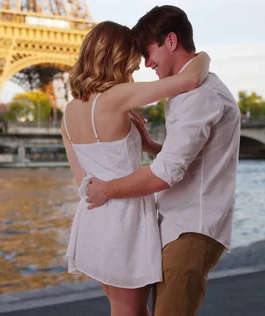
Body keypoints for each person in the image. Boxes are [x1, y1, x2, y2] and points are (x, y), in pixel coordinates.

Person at [85, 5, 241, 316]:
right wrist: (154, 146)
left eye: (148, 51)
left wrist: (105, 190)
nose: (145, 63)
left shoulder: (200, 96)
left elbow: (164, 175)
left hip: (191, 230)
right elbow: (194, 158)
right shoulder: (195, 89)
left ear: (171, 41)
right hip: (182, 226)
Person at [62, 20, 211, 316]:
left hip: (93, 220)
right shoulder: (118, 95)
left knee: (125, 308)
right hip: (125, 221)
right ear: (119, 55)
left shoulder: (69, 111)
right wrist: (203, 56)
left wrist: (145, 145)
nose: (138, 66)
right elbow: (191, 80)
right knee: (128, 310)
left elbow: (84, 183)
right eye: (133, 57)